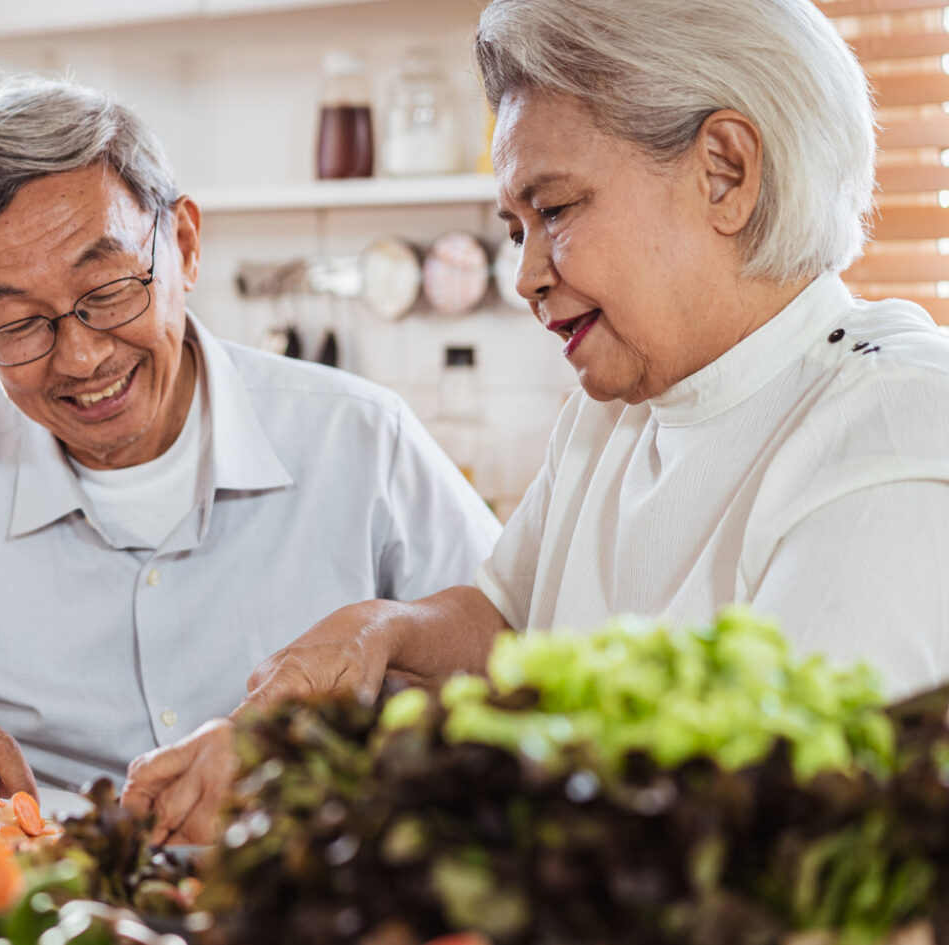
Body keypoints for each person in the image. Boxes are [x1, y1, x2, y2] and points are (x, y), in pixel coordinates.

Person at [124, 0, 949, 843]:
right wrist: (379, 630)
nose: (525, 276)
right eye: (516, 229)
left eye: (554, 210)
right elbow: (510, 628)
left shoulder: (895, 422)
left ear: (726, 173)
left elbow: (774, 829)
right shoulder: (614, 411)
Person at [0, 76, 500, 807]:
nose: (82, 357)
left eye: (107, 290)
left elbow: (519, 652)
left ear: (181, 244)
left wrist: (336, 731)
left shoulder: (361, 436)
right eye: (17, 323)